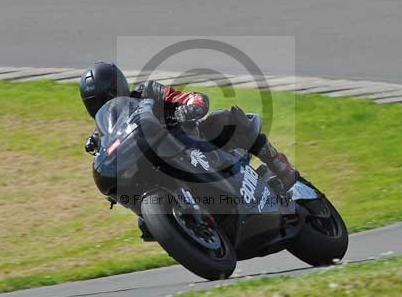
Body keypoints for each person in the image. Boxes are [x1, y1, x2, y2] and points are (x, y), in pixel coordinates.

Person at [80, 62, 300, 238]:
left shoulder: (148, 92)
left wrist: (191, 105)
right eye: (96, 102)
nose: (104, 104)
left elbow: (188, 97)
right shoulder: (101, 135)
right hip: (157, 170)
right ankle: (186, 225)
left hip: (193, 143)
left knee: (226, 120)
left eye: (107, 96)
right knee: (145, 223)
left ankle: (279, 165)